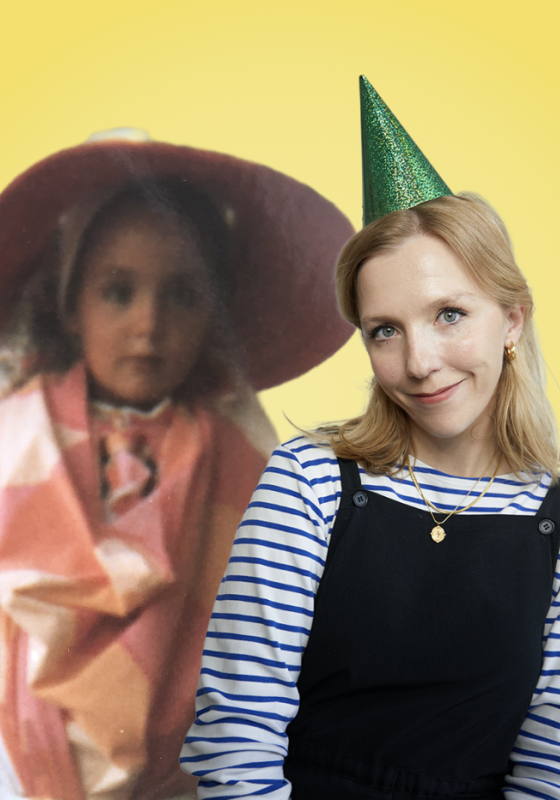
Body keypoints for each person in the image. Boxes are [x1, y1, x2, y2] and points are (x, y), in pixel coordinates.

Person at [179, 77, 560, 800]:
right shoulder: (310, 481)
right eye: (385, 330)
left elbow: (552, 751)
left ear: (511, 320)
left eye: (449, 314)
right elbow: (238, 734)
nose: (418, 362)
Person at [0, 133, 354, 800]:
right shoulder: (15, 435)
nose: (148, 323)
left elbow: (276, 615)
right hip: (19, 755)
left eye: (183, 296)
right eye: (117, 292)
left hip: (182, 770)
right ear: (69, 303)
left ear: (212, 312)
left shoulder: (241, 457)